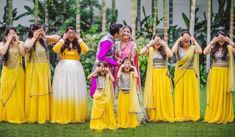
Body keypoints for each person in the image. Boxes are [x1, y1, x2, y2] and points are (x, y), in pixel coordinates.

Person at [51, 26, 89, 124]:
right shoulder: (62, 42)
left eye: (73, 33)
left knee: (75, 90)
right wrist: (63, 39)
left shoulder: (78, 43)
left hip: (76, 69)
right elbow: (55, 49)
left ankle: (75, 114)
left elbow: (86, 49)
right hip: (63, 69)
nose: (71, 35)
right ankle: (63, 113)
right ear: (66, 34)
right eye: (69, 33)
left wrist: (79, 38)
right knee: (64, 90)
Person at [24, 24, 59, 123]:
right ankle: (34, 115)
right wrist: (34, 37)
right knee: (35, 90)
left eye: (41, 30)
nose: (40, 32)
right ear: (32, 31)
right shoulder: (29, 40)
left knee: (44, 90)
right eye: (38, 30)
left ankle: (44, 114)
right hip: (34, 70)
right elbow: (26, 47)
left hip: (44, 69)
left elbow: (57, 38)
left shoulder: (44, 41)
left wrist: (45, 36)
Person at [140, 35, 174, 122]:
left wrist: (165, 44)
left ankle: (163, 113)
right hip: (153, 75)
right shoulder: (150, 50)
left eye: (159, 40)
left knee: (163, 94)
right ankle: (154, 115)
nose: (157, 42)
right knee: (154, 94)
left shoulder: (164, 50)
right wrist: (149, 44)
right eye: (155, 40)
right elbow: (141, 52)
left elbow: (170, 55)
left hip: (163, 74)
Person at [204, 31, 235, 124]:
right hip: (215, 73)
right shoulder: (213, 48)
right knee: (215, 93)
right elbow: (205, 52)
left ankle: (224, 114)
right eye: (219, 38)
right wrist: (213, 41)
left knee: (224, 93)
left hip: (225, 73)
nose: (221, 40)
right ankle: (214, 114)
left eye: (223, 38)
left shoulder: (229, 47)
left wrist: (229, 41)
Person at [171, 32, 202, 121]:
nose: (186, 39)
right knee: (180, 93)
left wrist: (194, 41)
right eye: (184, 38)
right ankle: (180, 113)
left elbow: (200, 51)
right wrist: (178, 40)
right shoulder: (178, 48)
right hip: (180, 73)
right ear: (181, 39)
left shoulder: (193, 48)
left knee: (190, 93)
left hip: (190, 74)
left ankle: (190, 114)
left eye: (188, 38)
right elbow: (173, 51)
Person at [90, 23, 123, 98]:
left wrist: (117, 59)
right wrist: (115, 63)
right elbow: (101, 56)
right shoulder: (107, 41)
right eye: (121, 31)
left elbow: (109, 54)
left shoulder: (111, 39)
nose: (122, 33)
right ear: (116, 33)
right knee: (100, 88)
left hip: (106, 66)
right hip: (101, 68)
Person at [0, 26, 25, 123]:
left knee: (17, 94)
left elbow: (23, 54)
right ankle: (5, 115)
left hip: (18, 73)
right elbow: (2, 52)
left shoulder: (20, 43)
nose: (13, 35)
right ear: (6, 35)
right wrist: (7, 41)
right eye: (10, 33)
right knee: (6, 93)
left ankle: (16, 114)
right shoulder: (2, 43)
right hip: (7, 72)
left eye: (14, 33)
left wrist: (18, 42)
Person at [88, 61, 117, 130]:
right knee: (97, 108)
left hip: (105, 94)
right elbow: (88, 77)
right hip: (98, 93)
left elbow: (113, 79)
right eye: (100, 67)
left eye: (104, 67)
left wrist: (109, 72)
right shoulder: (97, 75)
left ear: (106, 68)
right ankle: (98, 122)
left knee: (105, 109)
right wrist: (95, 71)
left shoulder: (107, 75)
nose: (102, 68)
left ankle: (105, 121)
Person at [116, 57, 142, 128]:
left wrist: (134, 67)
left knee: (129, 108)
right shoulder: (121, 73)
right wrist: (121, 67)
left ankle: (130, 121)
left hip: (129, 94)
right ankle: (122, 121)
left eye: (128, 64)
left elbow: (136, 76)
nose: (127, 65)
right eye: (125, 63)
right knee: (122, 109)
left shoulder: (132, 73)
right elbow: (117, 77)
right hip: (122, 93)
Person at [114, 25, 141, 95]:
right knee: (117, 88)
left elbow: (132, 58)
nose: (125, 33)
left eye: (128, 32)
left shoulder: (133, 44)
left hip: (128, 69)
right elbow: (115, 56)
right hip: (118, 68)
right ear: (121, 32)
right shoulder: (117, 43)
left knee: (127, 90)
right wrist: (118, 59)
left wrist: (126, 66)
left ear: (130, 34)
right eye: (124, 31)